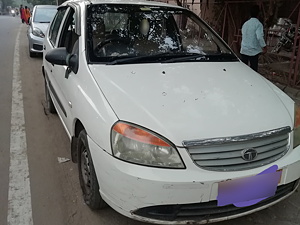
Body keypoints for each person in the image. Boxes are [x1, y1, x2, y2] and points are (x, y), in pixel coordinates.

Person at [240, 5, 267, 72]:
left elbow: (243, 34)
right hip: (253, 51)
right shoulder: (258, 24)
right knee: (253, 71)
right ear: (258, 14)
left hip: (244, 49)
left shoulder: (245, 24)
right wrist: (264, 46)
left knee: (243, 70)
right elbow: (259, 37)